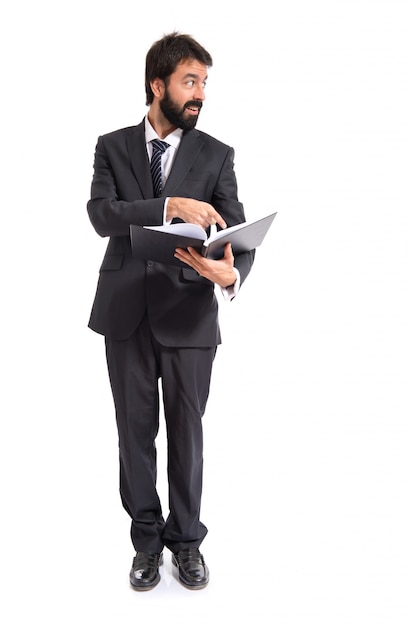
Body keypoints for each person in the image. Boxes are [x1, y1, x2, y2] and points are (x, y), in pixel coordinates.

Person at [87, 32, 255, 591]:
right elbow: (103, 215)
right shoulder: (111, 146)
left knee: (187, 431)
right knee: (134, 433)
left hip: (189, 314)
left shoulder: (217, 154)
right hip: (126, 312)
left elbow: (239, 237)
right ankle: (145, 543)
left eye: (204, 83)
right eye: (190, 81)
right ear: (157, 85)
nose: (199, 93)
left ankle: (187, 543)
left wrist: (230, 274)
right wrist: (167, 205)